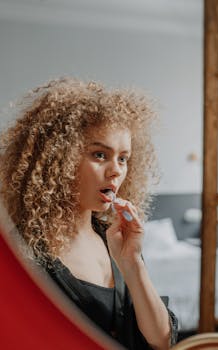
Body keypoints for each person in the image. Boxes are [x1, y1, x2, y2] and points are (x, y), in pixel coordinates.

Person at [0, 77, 178, 349]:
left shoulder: (116, 241)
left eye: (123, 158)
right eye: (99, 155)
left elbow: (162, 341)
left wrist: (133, 265)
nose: (116, 170)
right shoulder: (23, 252)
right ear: (59, 159)